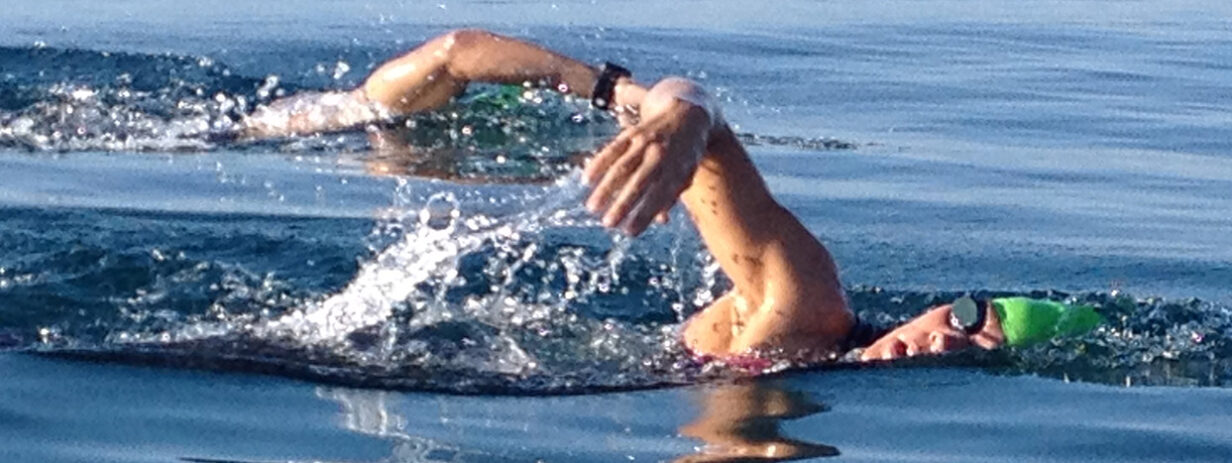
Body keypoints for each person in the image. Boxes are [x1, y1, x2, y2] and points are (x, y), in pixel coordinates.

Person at [246, 29, 1097, 364]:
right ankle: (343, 116)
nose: (947, 341)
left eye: (980, 349)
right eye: (967, 312)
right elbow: (707, 118)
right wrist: (681, 123)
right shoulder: (810, 306)